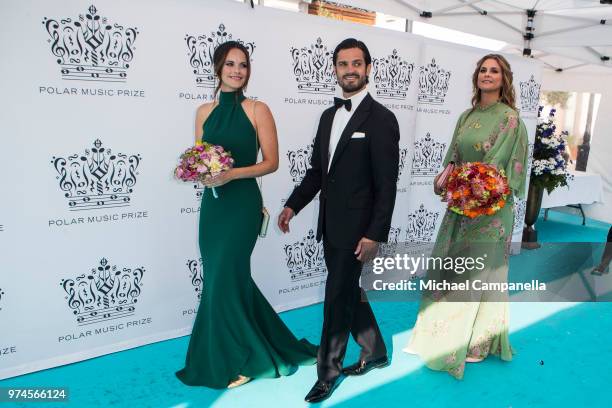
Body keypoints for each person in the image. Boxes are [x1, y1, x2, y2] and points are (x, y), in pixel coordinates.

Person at [176, 41, 317, 389]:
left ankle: (243, 358)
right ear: (217, 68)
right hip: (213, 206)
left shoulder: (257, 109)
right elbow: (201, 158)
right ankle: (240, 348)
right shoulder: (203, 112)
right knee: (222, 278)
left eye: (243, 65)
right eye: (230, 64)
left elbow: (272, 162)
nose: (237, 70)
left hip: (242, 206)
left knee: (227, 275)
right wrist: (206, 174)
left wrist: (231, 174)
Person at [278, 38, 400, 402]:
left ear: (368, 68)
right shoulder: (328, 116)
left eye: (357, 63)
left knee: (335, 298)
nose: (350, 70)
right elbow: (318, 172)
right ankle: (374, 350)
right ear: (335, 69)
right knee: (347, 290)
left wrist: (375, 232)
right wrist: (292, 206)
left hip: (358, 231)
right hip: (330, 226)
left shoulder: (382, 119)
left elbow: (387, 185)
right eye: (343, 63)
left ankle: (327, 371)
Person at [403, 54, 529, 379]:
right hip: (461, 205)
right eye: (483, 70)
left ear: (504, 79)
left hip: (493, 211)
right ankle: (438, 333)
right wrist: (445, 180)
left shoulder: (510, 120)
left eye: (494, 71)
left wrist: (475, 187)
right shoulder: (466, 115)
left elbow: (503, 167)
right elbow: (453, 158)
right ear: (477, 77)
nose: (488, 75)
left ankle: (474, 342)